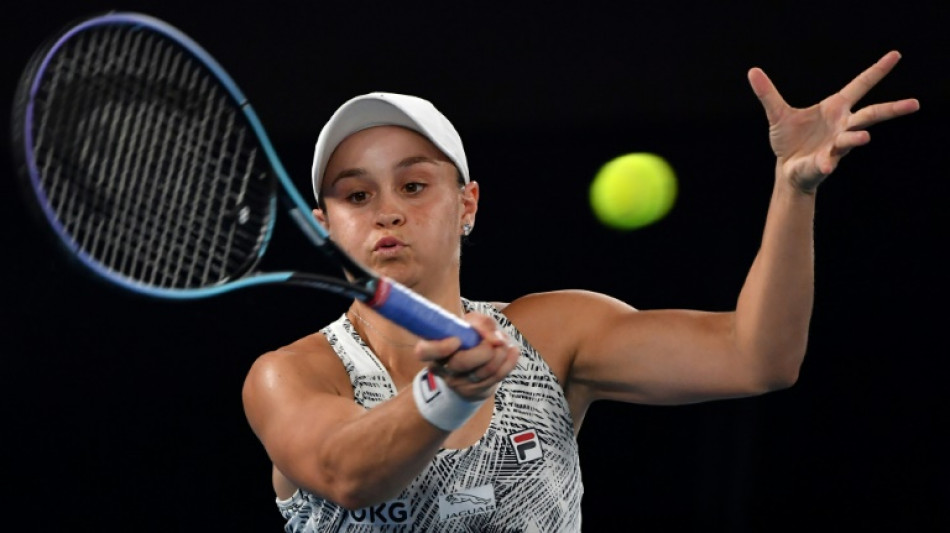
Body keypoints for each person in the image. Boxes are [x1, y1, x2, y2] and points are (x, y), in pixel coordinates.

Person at [242, 51, 919, 531]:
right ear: (327, 225)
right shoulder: (292, 374)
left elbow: (757, 356)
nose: (387, 210)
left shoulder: (553, 333)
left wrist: (792, 189)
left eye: (414, 185)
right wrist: (448, 392)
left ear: (468, 203)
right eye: (357, 194)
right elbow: (347, 474)